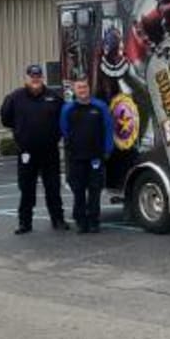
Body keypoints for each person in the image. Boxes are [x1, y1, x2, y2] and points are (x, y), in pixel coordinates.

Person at [0, 64, 69, 234]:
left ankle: (58, 220)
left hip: (49, 152)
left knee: (53, 188)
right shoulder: (15, 97)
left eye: (38, 76)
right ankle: (25, 223)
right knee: (26, 189)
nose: (35, 79)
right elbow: (6, 119)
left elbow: (63, 121)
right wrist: (21, 132)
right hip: (26, 153)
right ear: (27, 78)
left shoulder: (54, 97)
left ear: (42, 78)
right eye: (32, 76)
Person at [60, 76, 114, 234]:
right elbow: (64, 129)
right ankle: (81, 221)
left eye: (85, 87)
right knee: (78, 190)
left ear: (89, 88)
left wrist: (107, 149)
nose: (82, 90)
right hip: (76, 157)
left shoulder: (100, 106)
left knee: (95, 190)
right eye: (79, 87)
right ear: (74, 90)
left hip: (95, 157)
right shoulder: (67, 109)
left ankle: (94, 221)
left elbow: (108, 128)